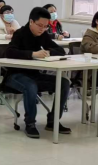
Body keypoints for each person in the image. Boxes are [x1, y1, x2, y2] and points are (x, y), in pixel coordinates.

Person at [4, 7, 71, 139]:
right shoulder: (20, 33)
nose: (42, 29)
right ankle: (30, 123)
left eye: (46, 26)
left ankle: (53, 121)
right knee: (30, 86)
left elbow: (61, 51)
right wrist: (33, 54)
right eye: (40, 25)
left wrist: (49, 52)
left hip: (34, 75)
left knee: (64, 83)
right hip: (14, 76)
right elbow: (9, 52)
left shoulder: (43, 35)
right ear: (31, 22)